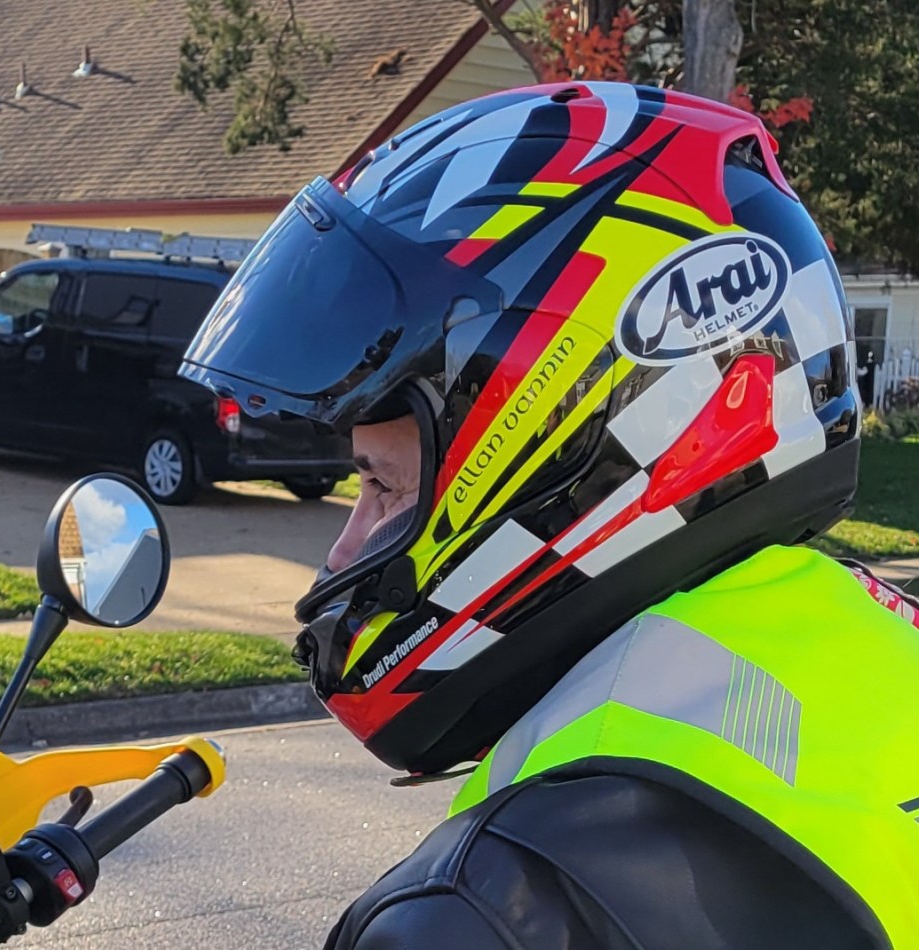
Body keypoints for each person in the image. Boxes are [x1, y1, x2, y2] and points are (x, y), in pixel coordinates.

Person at [181, 82, 919, 948]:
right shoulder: (877, 646)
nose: (347, 548)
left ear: (556, 436)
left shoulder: (493, 911)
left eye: (381, 487)